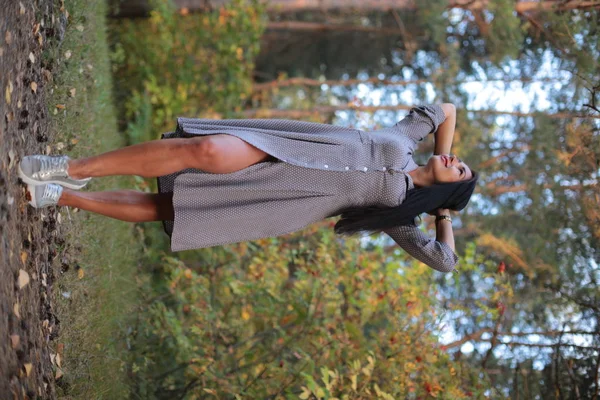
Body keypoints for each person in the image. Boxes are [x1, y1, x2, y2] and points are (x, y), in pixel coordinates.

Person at [18, 104, 477, 273]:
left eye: (459, 171)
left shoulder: (400, 212)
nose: (454, 160)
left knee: (169, 207)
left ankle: (63, 195)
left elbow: (445, 262)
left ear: (444, 194)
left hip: (281, 199)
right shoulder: (404, 139)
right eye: (459, 159)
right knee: (207, 152)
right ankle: (72, 167)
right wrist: (448, 158)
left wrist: (444, 214)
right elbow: (446, 110)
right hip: (281, 145)